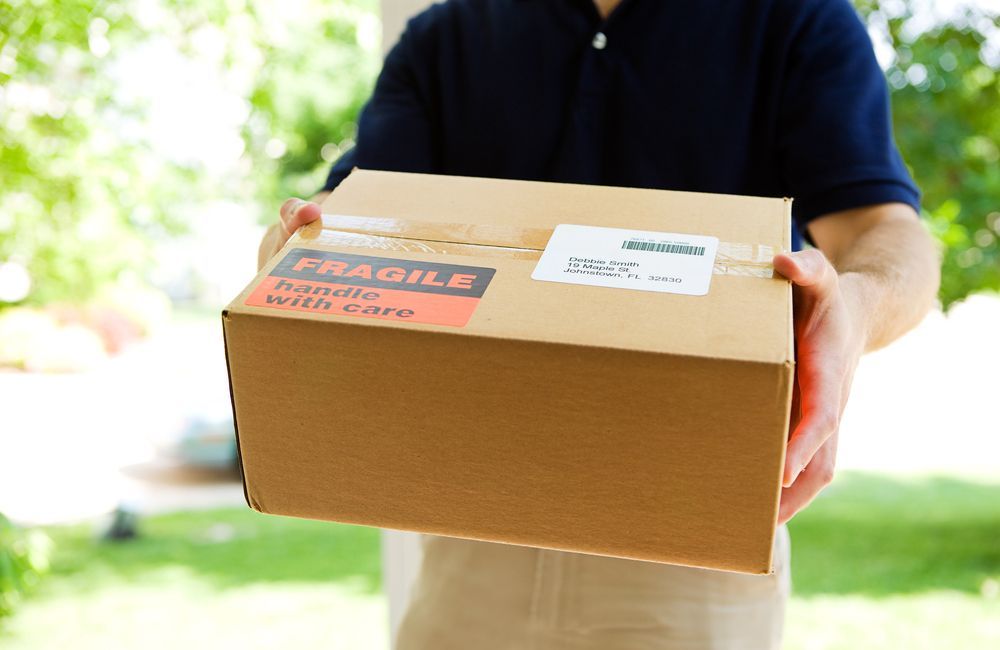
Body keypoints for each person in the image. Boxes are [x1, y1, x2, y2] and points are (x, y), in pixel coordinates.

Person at [258, 1, 940, 647]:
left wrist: (855, 307)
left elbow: (882, 227)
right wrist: (297, 245)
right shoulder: (447, 35)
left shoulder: (795, 19)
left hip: (695, 528)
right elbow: (357, 210)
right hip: (471, 524)